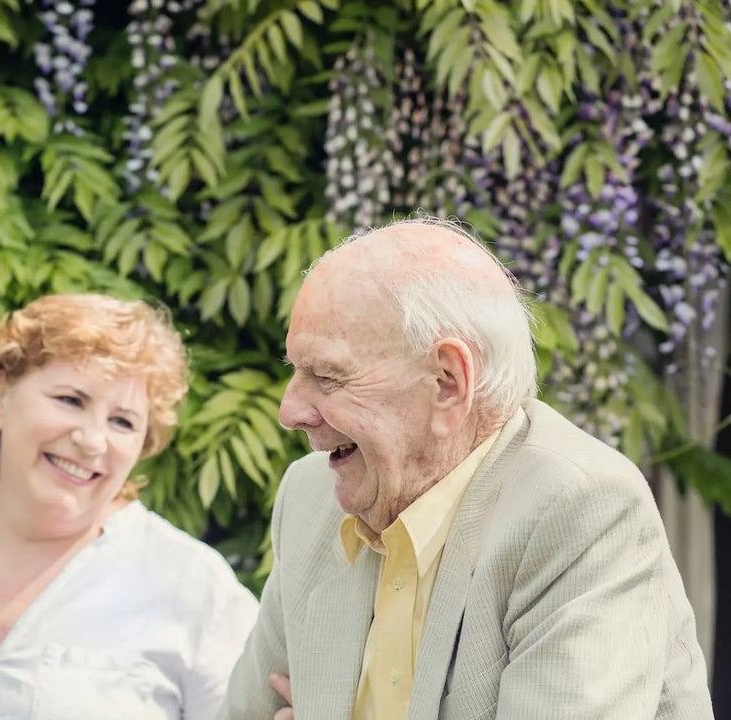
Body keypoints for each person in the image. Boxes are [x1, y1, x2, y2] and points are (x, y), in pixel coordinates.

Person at [222, 218, 714, 720]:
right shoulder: (310, 497)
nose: (290, 411)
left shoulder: (582, 509)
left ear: (447, 382)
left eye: (326, 376)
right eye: (295, 371)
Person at [0, 293, 258, 720]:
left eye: (123, 422)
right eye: (71, 400)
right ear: (1, 396)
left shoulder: (192, 587)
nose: (93, 440)